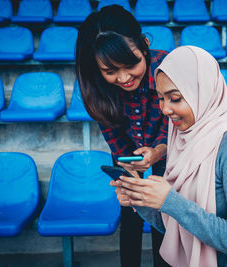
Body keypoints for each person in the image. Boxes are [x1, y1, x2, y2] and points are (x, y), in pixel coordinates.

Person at [112, 46, 227, 267]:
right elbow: (176, 224)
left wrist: (170, 201)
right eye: (160, 98)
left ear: (203, 93)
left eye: (175, 98)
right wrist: (140, 200)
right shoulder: (182, 140)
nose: (165, 109)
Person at [75, 5, 170, 267]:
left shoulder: (170, 68)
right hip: (131, 153)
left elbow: (177, 120)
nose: (124, 77)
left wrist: (159, 150)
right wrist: (127, 165)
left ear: (145, 44)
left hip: (174, 150)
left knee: (166, 216)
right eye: (110, 71)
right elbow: (113, 133)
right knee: (130, 210)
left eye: (131, 64)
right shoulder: (96, 87)